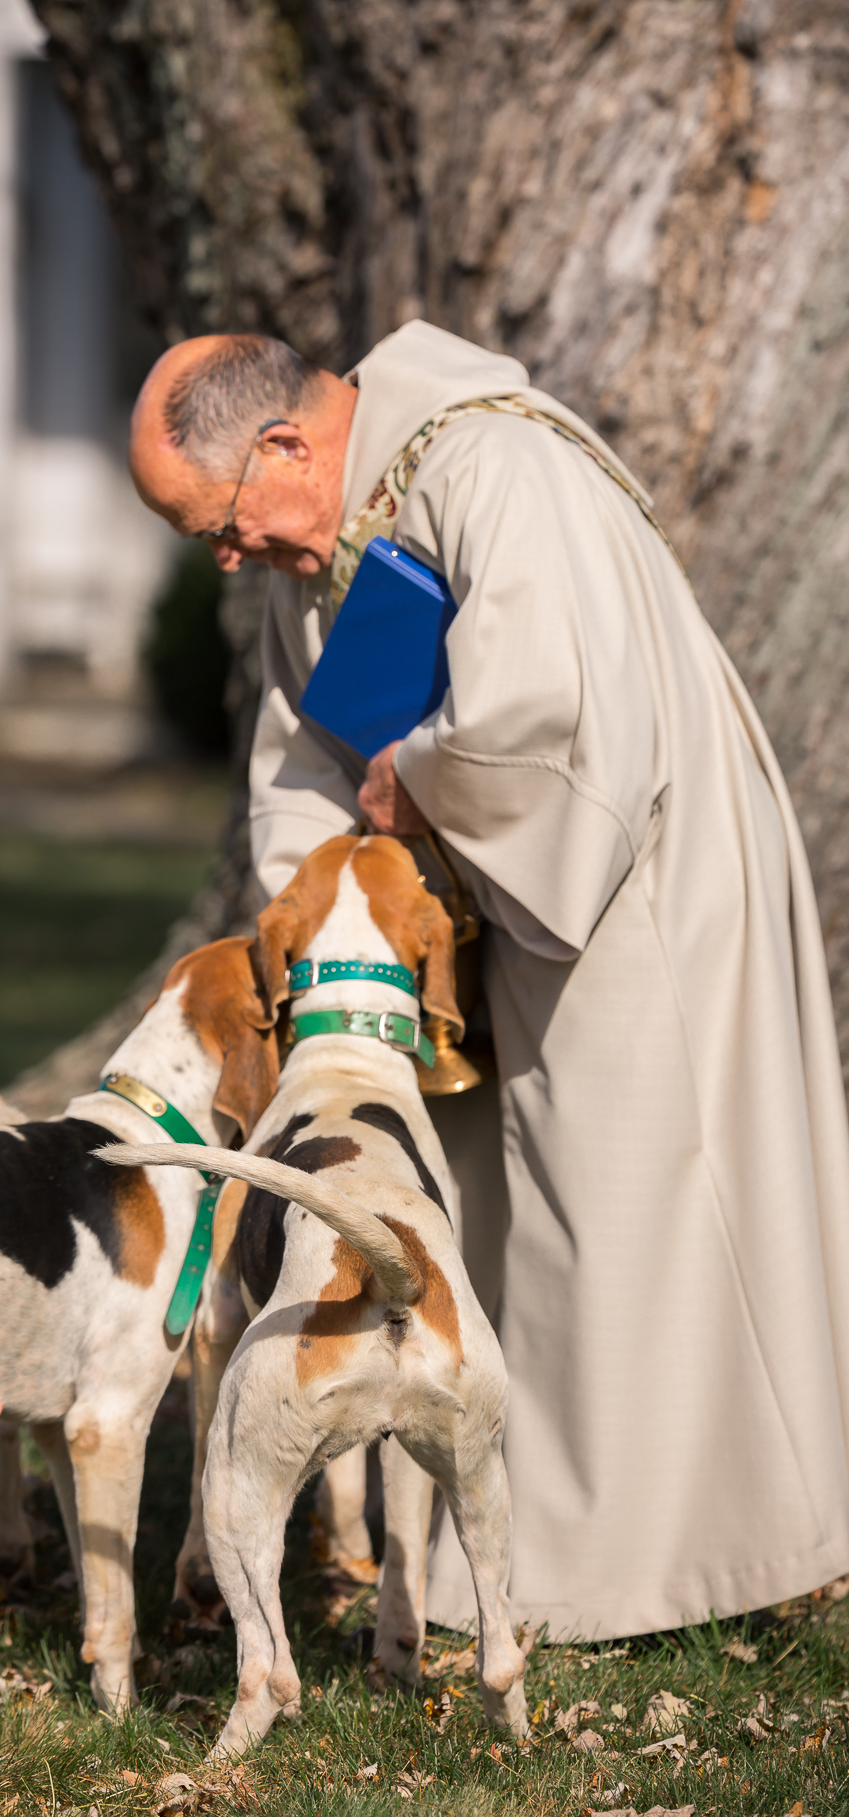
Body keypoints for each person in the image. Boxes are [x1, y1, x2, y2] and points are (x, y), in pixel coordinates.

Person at [129, 322, 849, 1640]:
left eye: (221, 527)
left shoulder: (496, 471)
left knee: (638, 1216)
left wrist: (421, 780)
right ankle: (529, 1560)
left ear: (286, 444)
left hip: (631, 886)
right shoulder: (322, 549)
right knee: (514, 1219)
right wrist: (328, 919)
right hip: (493, 910)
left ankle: (686, 1564)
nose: (232, 562)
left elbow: (561, 719)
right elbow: (301, 769)